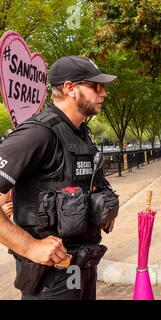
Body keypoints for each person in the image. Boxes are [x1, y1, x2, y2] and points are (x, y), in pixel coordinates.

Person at [0, 56, 118, 300]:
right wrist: (30, 247)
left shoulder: (83, 135)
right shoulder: (37, 134)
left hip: (83, 267)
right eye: (96, 86)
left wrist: (99, 211)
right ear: (70, 88)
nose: (103, 93)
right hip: (50, 280)